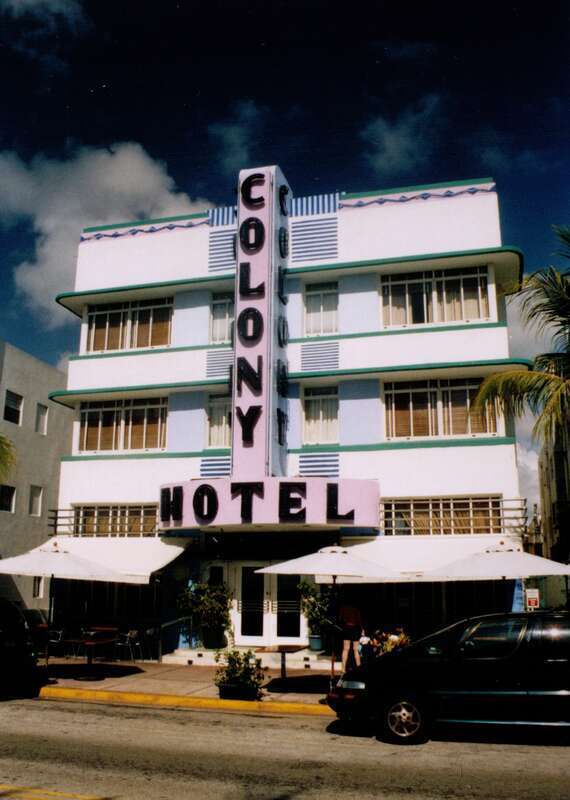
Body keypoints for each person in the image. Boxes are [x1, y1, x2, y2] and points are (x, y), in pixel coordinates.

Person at [338, 602, 364, 671]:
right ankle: (359, 668)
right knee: (356, 650)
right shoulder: (356, 608)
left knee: (345, 649)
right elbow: (359, 620)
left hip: (346, 628)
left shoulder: (344, 608)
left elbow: (340, 618)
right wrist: (362, 629)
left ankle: (343, 669)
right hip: (355, 628)